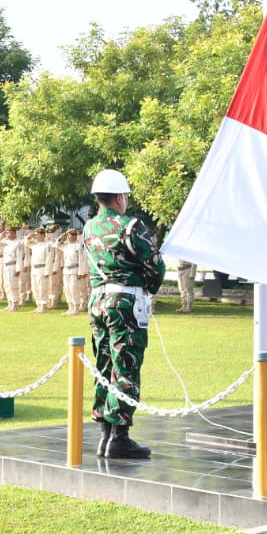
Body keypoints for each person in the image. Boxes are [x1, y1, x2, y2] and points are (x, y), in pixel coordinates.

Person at [83, 169, 165, 459]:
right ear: (120, 197)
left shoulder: (89, 227)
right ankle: (120, 436)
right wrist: (149, 287)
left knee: (104, 361)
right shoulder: (131, 226)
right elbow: (155, 265)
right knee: (126, 363)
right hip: (125, 301)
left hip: (97, 302)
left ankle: (104, 434)